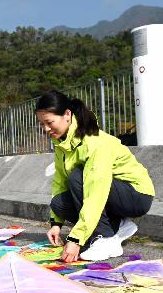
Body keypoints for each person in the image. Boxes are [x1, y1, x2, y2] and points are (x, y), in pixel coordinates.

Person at [36, 90, 155, 262]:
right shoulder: (62, 144)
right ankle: (116, 225)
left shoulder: (94, 141)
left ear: (67, 115)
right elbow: (59, 182)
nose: (46, 129)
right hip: (108, 192)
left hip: (136, 194)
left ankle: (105, 238)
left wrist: (76, 238)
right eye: (42, 124)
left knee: (77, 176)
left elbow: (95, 192)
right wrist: (56, 224)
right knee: (59, 203)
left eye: (49, 122)